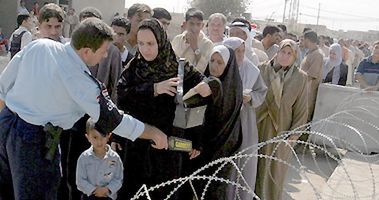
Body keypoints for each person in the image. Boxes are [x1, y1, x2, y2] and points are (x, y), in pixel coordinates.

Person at [0, 17, 167, 200]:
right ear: (87, 51)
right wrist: (153, 133)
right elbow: (114, 120)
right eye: (103, 51)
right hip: (33, 140)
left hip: (7, 124)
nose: (105, 56)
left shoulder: (40, 46)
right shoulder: (81, 82)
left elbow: (3, 87)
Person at [114, 18, 212, 200]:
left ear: (161, 41)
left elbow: (203, 90)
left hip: (170, 144)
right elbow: (122, 97)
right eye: (141, 43)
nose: (145, 49)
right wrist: (154, 88)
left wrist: (208, 86)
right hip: (137, 143)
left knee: (165, 191)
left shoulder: (180, 67)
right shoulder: (134, 67)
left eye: (150, 43)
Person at [255, 39, 308, 200]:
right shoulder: (262, 69)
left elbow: (301, 108)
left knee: (274, 171)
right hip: (259, 126)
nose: (285, 56)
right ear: (277, 53)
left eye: (289, 54)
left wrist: (294, 134)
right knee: (254, 166)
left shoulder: (300, 78)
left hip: (281, 130)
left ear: (294, 56)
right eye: (282, 52)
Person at [188, 45, 243, 199]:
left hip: (221, 148)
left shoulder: (228, 86)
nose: (214, 65)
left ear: (228, 65)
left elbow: (216, 91)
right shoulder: (211, 81)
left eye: (220, 62)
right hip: (202, 148)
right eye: (212, 60)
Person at [223, 37, 267, 200]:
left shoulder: (252, 70)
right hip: (225, 122)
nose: (240, 55)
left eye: (242, 51)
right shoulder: (221, 66)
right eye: (236, 51)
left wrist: (251, 98)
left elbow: (261, 92)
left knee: (243, 160)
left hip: (244, 121)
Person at [76, 118, 123, 200]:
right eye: (95, 137)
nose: (99, 141)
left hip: (108, 196)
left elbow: (118, 179)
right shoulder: (84, 158)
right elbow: (80, 181)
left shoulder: (115, 158)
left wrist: (107, 189)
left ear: (109, 136)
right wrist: (94, 190)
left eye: (103, 136)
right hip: (89, 196)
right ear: (88, 137)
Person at [171, 8, 214, 73]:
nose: (195, 28)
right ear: (185, 24)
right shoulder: (177, 39)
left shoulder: (207, 44)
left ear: (202, 26)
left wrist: (195, 48)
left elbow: (203, 69)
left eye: (198, 24)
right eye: (191, 23)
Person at [300, 30, 324, 122]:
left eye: (303, 39)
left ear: (308, 40)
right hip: (303, 90)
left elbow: (311, 75)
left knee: (305, 116)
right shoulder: (310, 52)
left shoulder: (317, 55)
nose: (302, 42)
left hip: (309, 91)